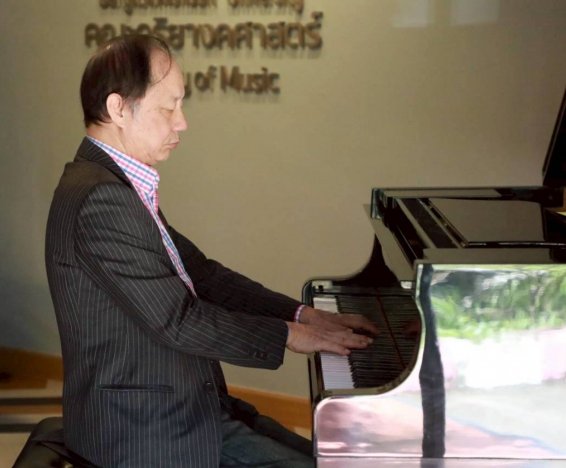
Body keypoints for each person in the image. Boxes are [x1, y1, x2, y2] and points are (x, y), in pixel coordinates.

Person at [45, 34, 378, 468]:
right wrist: (292, 336)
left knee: (329, 460)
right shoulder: (101, 198)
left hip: (185, 407)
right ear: (118, 109)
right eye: (169, 107)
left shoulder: (112, 182)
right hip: (144, 432)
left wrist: (304, 315)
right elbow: (179, 321)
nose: (181, 123)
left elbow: (201, 275)